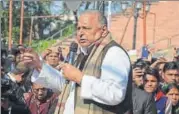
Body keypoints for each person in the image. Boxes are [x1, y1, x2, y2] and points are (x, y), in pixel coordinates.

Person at [22, 10, 132, 114]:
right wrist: (39, 65)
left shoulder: (113, 52)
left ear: (103, 31)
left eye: (86, 28)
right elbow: (66, 87)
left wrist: (80, 78)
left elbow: (115, 93)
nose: (80, 33)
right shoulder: (83, 54)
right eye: (78, 28)